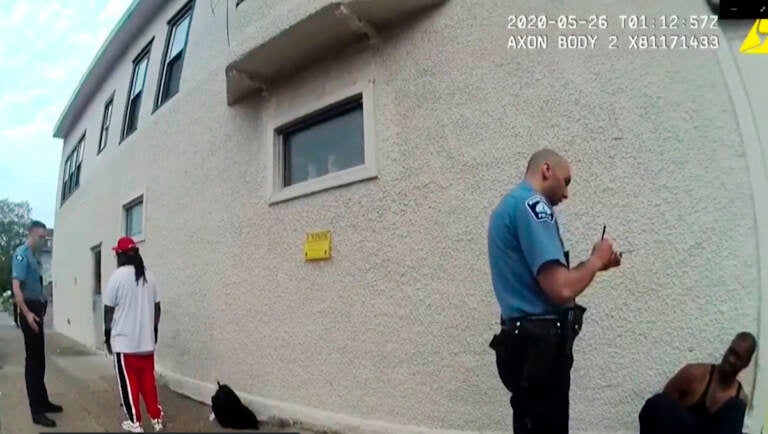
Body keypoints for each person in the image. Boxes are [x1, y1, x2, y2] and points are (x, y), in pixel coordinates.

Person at [487, 148, 622, 434]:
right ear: (547, 170)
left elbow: (548, 281)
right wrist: (597, 259)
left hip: (521, 343)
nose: (567, 193)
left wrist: (595, 266)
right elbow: (560, 288)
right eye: (567, 180)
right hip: (540, 350)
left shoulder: (507, 207)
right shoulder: (532, 205)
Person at [639, 331, 757, 434]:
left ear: (745, 363)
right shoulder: (695, 375)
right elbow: (662, 409)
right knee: (658, 402)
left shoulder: (739, 399)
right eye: (731, 352)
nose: (731, 359)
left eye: (738, 357)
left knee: (736, 408)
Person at [103, 236, 164, 433]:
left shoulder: (117, 277)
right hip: (147, 344)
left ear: (120, 255)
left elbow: (108, 310)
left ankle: (135, 422)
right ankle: (156, 418)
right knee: (148, 382)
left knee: (128, 384)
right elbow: (157, 308)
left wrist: (107, 334)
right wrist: (154, 330)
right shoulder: (149, 275)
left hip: (124, 344)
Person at [11, 220, 62, 428]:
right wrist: (28, 314)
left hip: (36, 309)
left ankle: (43, 401)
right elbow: (16, 288)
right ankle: (36, 411)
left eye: (45, 238)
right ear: (30, 234)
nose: (43, 241)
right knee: (33, 362)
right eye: (40, 237)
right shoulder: (21, 254)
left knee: (39, 359)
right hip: (28, 311)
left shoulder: (35, 256)